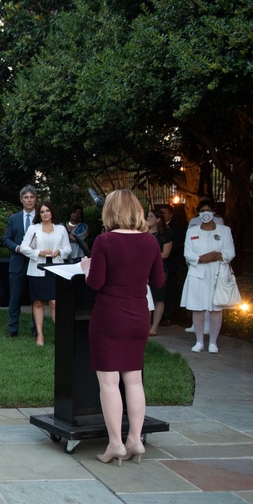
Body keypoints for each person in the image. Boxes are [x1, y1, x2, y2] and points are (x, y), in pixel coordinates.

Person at [81, 190, 164, 465]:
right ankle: (136, 440)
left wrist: (86, 269)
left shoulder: (104, 241)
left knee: (109, 382)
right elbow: (159, 281)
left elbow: (95, 283)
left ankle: (115, 443)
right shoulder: (151, 241)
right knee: (134, 379)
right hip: (139, 314)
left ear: (111, 211)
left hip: (109, 316)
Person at [180, 199, 235, 354]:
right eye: (202, 210)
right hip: (198, 273)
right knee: (197, 308)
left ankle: (213, 342)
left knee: (215, 308)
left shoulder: (225, 231)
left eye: (208, 210)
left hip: (218, 273)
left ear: (214, 213)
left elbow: (230, 253)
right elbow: (188, 253)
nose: (205, 213)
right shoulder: (192, 231)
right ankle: (199, 341)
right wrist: (201, 259)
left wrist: (218, 255)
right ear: (199, 213)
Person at [21, 201, 71, 347]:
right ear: (39, 214)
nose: (45, 214)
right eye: (42, 212)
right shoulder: (33, 228)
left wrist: (60, 252)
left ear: (52, 212)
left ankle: (60, 334)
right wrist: (39, 252)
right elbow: (24, 247)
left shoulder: (61, 229)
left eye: (47, 211)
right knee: (38, 302)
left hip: (56, 269)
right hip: (37, 269)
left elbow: (68, 248)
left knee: (54, 303)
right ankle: (40, 335)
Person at [3, 185, 37, 338]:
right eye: (26, 197)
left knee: (36, 298)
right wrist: (17, 248)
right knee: (15, 297)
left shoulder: (41, 217)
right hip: (17, 263)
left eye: (32, 197)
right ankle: (12, 328)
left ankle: (36, 328)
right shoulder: (14, 218)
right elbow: (6, 239)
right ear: (21, 200)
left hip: (36, 263)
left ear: (35, 199)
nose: (29, 200)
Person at [146, 208, 172, 336]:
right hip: (144, 269)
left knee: (158, 298)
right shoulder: (142, 233)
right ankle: (146, 325)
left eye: (151, 216)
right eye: (147, 216)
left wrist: (150, 256)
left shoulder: (165, 234)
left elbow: (166, 254)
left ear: (158, 219)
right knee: (145, 297)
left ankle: (154, 327)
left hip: (159, 268)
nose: (148, 218)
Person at [161, 204, 186, 326]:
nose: (163, 215)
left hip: (170, 264)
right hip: (159, 266)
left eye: (165, 213)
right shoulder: (158, 228)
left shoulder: (174, 228)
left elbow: (174, 246)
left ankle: (168, 316)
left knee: (169, 291)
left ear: (171, 214)